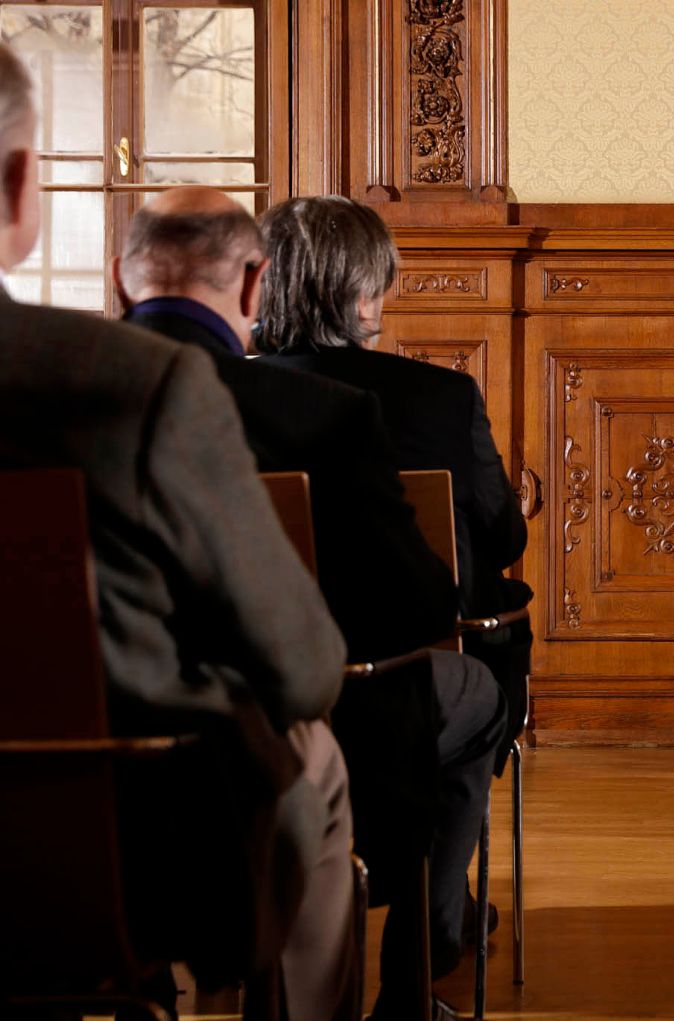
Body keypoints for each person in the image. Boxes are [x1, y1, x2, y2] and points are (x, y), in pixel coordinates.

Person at [0, 43, 355, 1019]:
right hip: (87, 865)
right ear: (21, 184)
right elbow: (302, 665)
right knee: (313, 751)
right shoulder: (130, 388)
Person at [110, 186, 500, 1017]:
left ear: (120, 282)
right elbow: (423, 604)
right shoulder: (332, 417)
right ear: (251, 286)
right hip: (329, 723)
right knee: (471, 695)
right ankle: (416, 962)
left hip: (89, 760)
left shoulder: (68, 400)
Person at [254, 196, 533, 772]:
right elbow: (503, 539)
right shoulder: (443, 397)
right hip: (412, 669)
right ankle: (439, 865)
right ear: (362, 293)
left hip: (262, 673)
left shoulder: (213, 390)